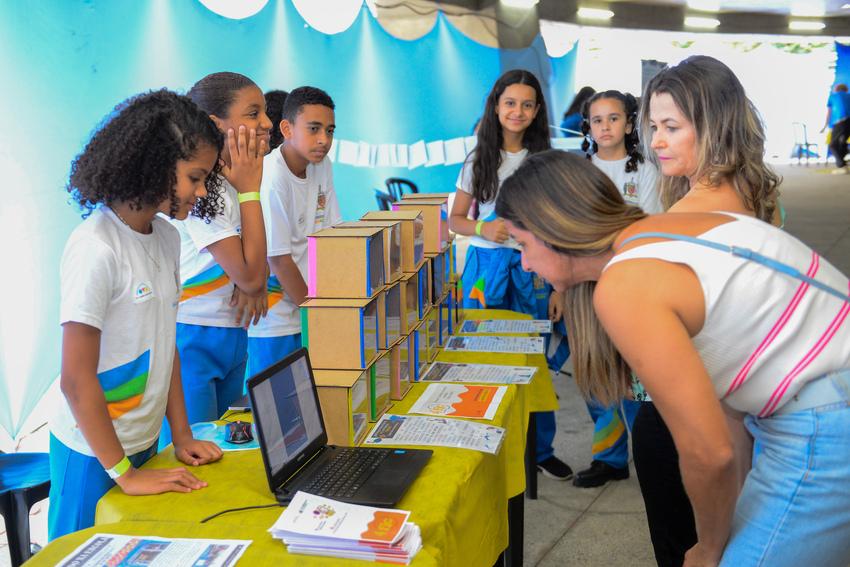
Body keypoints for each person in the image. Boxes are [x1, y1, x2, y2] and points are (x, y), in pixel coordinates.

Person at [495, 149, 850, 567]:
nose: (524, 262)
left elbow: (708, 451)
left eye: (522, 243)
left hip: (824, 420)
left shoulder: (626, 282)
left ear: (554, 228)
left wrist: (708, 547)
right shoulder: (662, 230)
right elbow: (728, 414)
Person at [49, 89, 225, 540]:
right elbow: (75, 378)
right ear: (156, 165)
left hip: (142, 442)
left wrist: (182, 436)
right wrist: (123, 473)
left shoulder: (166, 238)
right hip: (93, 452)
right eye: (194, 177)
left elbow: (164, 343)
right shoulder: (96, 248)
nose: (201, 191)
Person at [635, 54, 784, 566]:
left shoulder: (690, 217)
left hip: (692, 419)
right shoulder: (757, 195)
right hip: (747, 416)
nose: (656, 142)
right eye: (654, 127)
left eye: (671, 127)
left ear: (714, 125)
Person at [448, 69, 572, 481]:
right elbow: (455, 220)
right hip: (484, 272)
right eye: (509, 103)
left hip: (534, 270)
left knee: (532, 359)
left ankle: (539, 449)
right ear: (496, 106)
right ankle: (484, 444)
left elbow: (557, 227)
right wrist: (482, 227)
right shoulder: (477, 160)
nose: (517, 111)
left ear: (537, 111)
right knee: (483, 358)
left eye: (526, 104)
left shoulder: (545, 163)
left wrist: (558, 286)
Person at [158, 72, 271, 450]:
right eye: (254, 113)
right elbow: (254, 275)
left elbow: (258, 262)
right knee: (194, 449)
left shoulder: (234, 182)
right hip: (195, 335)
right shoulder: (202, 189)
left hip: (233, 331)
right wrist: (249, 278)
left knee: (224, 447)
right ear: (214, 124)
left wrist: (250, 276)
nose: (267, 124)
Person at [569, 89, 663, 488]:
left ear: (629, 122)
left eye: (613, 118)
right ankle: (609, 457)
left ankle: (645, 450)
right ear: (587, 126)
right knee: (593, 367)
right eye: (596, 119)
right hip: (584, 285)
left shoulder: (645, 170)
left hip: (630, 282)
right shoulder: (579, 169)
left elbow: (649, 226)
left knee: (631, 372)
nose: (605, 126)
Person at [246, 86, 343, 378]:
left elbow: (333, 234)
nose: (324, 139)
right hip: (276, 319)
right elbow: (278, 259)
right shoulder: (272, 177)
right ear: (287, 129)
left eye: (330, 130)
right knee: (278, 413)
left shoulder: (321, 165)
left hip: (309, 306)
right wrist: (317, 313)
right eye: (313, 129)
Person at [820, 83, 850, 174]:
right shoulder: (849, 96)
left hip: (840, 121)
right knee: (843, 143)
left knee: (833, 144)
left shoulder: (832, 96)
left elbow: (829, 113)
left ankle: (842, 165)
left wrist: (825, 126)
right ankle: (842, 164)